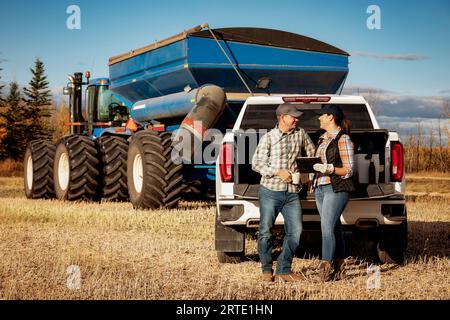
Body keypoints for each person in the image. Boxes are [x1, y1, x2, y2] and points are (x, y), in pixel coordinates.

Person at [252, 103, 315, 282]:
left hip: (292, 192)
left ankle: (283, 269)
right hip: (270, 191)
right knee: (265, 231)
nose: (297, 119)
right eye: (293, 116)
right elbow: (256, 163)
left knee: (296, 232)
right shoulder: (269, 138)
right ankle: (266, 270)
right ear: (281, 117)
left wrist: (308, 175)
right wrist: (278, 171)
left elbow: (311, 156)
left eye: (297, 117)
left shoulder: (300, 134)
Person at [312, 104, 355, 281]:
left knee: (326, 228)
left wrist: (329, 168)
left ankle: (325, 270)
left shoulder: (343, 139)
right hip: (320, 187)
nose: (319, 118)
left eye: (321, 115)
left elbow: (349, 170)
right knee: (334, 227)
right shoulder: (321, 139)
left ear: (331, 117)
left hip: (335, 188)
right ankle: (338, 269)